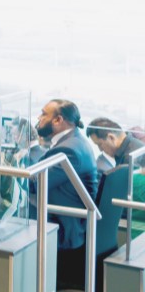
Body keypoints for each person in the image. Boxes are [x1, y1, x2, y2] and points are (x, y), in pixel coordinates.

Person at [32, 99, 99, 251]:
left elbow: (37, 184)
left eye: (43, 114)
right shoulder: (74, 140)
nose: (38, 118)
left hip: (65, 228)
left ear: (58, 120)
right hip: (67, 217)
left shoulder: (69, 150)